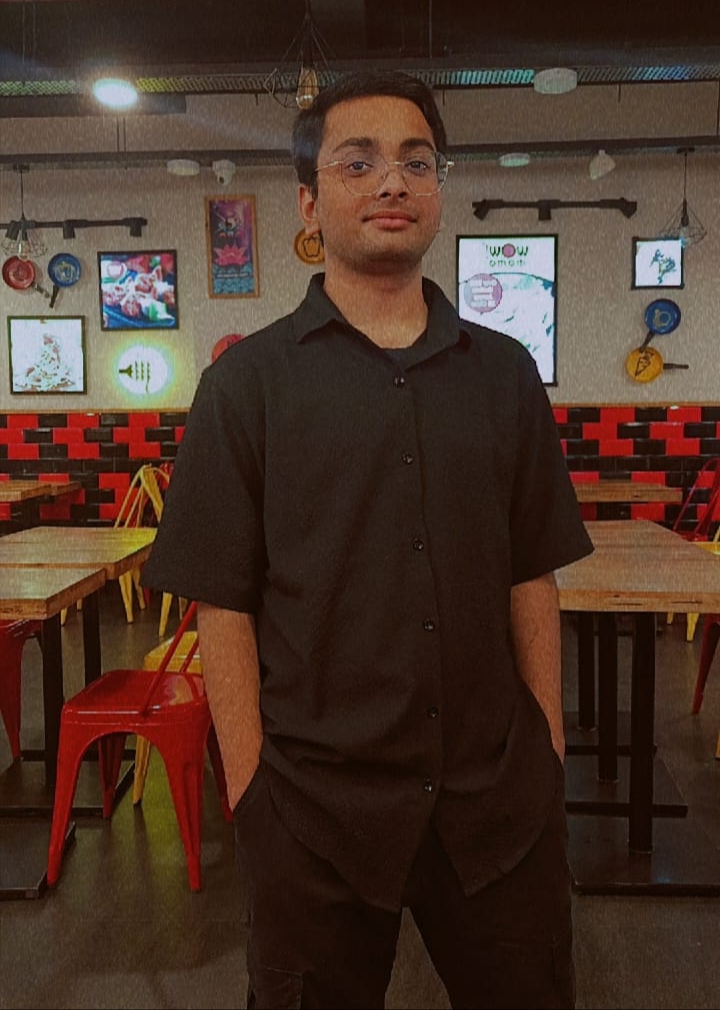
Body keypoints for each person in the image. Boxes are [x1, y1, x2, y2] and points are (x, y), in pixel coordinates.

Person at [141, 69, 594, 1010]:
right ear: (310, 202)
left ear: (438, 191)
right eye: (359, 162)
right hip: (314, 812)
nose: (393, 181)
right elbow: (222, 603)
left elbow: (531, 575)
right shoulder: (247, 387)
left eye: (417, 162)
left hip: (497, 801)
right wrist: (251, 792)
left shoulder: (505, 375)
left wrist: (547, 749)